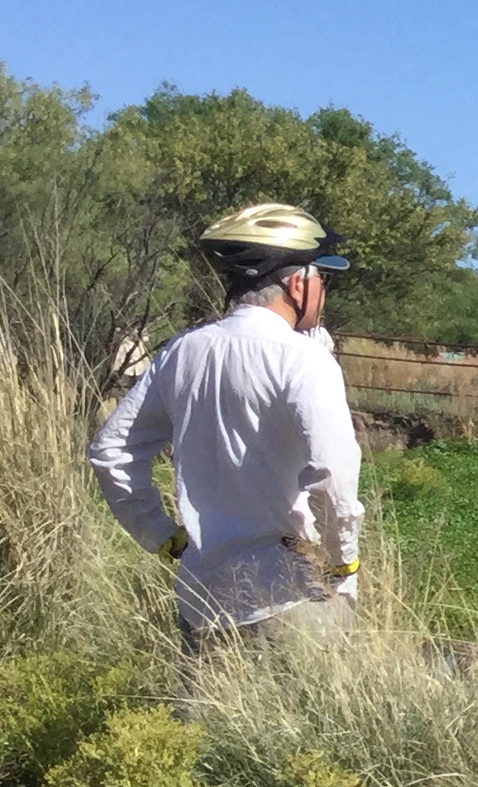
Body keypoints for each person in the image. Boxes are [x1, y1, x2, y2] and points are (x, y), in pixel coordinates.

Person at [90, 203, 364, 648]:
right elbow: (331, 478)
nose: (324, 291)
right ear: (298, 283)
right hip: (292, 597)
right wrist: (341, 565)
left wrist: (164, 539)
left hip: (202, 598)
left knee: (204, 719)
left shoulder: (182, 352)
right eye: (322, 279)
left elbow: (111, 453)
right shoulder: (304, 359)